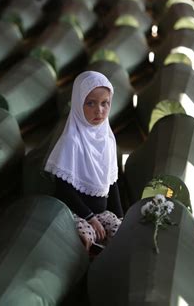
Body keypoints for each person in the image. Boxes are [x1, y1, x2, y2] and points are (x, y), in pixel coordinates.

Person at [44, 71, 123, 251]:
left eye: (105, 103)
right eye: (90, 103)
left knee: (122, 233)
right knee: (84, 238)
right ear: (79, 104)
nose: (99, 111)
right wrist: (89, 218)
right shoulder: (71, 140)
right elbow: (63, 189)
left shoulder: (107, 139)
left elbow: (112, 183)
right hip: (74, 212)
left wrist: (120, 217)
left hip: (101, 213)